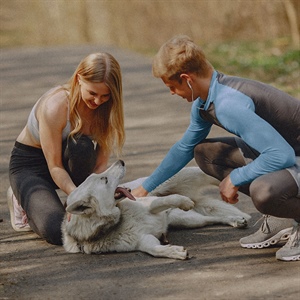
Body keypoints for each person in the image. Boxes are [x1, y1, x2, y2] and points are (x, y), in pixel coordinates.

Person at [132, 35, 300, 261]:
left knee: (264, 191)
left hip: (290, 154)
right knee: (205, 154)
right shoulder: (206, 100)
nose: (171, 93)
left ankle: (290, 210)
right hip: (290, 152)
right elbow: (184, 148)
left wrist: (236, 177)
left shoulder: (228, 104)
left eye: (172, 87)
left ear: (187, 79)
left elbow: (281, 154)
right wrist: (144, 189)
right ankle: (281, 216)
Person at [8, 52, 125, 245]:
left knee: (82, 147)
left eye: (105, 95)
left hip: (71, 157)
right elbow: (54, 166)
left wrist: (96, 197)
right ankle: (21, 197)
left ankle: (65, 201)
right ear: (79, 78)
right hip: (31, 166)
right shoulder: (56, 105)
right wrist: (78, 198)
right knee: (58, 231)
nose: (97, 101)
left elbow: (100, 165)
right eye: (93, 93)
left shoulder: (108, 108)